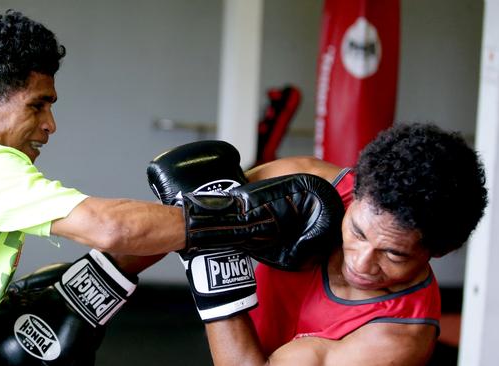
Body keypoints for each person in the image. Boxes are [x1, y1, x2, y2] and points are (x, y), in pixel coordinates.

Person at [0, 10, 340, 365]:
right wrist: (247, 216)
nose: (50, 125)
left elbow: (127, 237)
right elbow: (111, 227)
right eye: (37, 106)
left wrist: (200, 218)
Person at [179, 123, 486, 365]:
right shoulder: (318, 185)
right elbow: (178, 217)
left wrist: (215, 265)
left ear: (440, 250)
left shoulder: (397, 336)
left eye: (393, 254)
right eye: (357, 232)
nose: (360, 262)